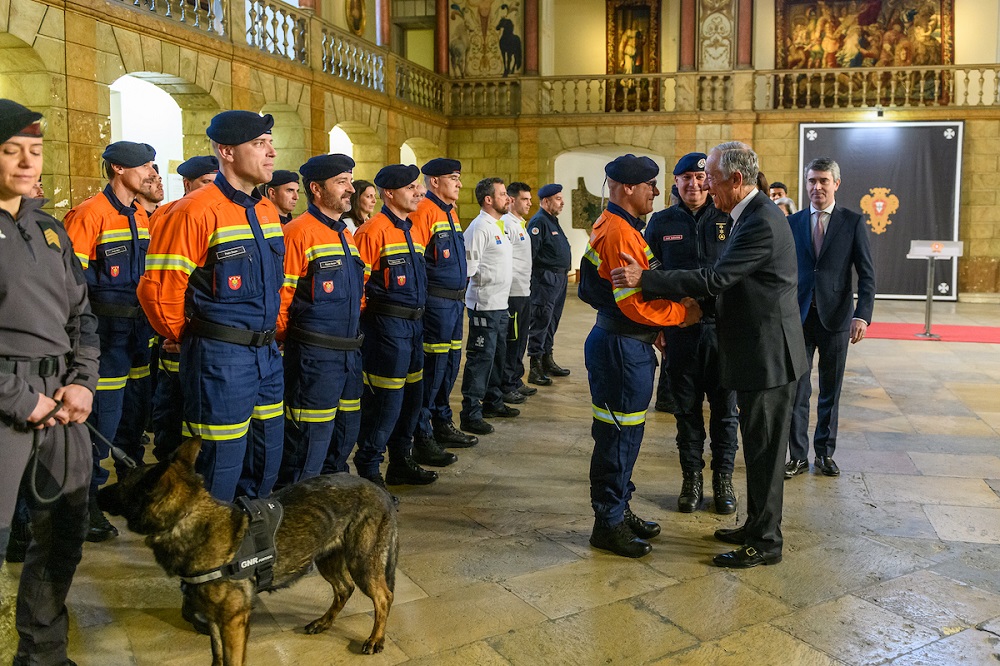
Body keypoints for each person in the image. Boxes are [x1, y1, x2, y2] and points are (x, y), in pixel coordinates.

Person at [612, 142, 807, 568]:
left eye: (713, 180)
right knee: (755, 447)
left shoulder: (759, 221)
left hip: (769, 355)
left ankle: (766, 542)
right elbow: (740, 286)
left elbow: (718, 276)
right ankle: (754, 525)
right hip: (757, 350)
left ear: (737, 180)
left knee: (765, 454)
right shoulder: (746, 214)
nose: (706, 187)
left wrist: (649, 280)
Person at [138, 110, 285, 502]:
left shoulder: (266, 210)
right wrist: (186, 338)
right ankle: (210, 556)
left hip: (267, 356)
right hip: (221, 358)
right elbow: (159, 289)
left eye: (270, 142)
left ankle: (248, 540)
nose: (271, 152)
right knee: (218, 465)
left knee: (266, 454)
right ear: (226, 151)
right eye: (259, 144)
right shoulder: (193, 210)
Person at [0, 98, 100, 666]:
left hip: (62, 406)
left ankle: (41, 654)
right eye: (12, 151)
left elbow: (82, 317)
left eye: (34, 152)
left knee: (63, 537)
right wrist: (22, 400)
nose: (26, 164)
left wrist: (82, 382)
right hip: (10, 406)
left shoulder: (50, 230)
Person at [579, 154, 700, 558]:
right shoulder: (621, 233)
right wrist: (681, 315)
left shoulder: (618, 223)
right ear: (627, 188)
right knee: (617, 435)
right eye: (650, 184)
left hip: (626, 344)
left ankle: (619, 507)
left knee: (626, 432)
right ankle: (607, 523)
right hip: (621, 346)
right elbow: (632, 304)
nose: (655, 191)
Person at [63, 140, 157, 542]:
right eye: (145, 167)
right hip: (103, 340)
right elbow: (69, 286)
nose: (152, 173)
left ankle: (121, 494)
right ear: (119, 169)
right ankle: (83, 507)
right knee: (100, 425)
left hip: (138, 338)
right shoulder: (89, 215)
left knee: (131, 423)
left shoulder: (141, 215)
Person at [645, 152, 739, 515]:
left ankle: (723, 480)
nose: (694, 185)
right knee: (685, 412)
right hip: (680, 332)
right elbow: (649, 277)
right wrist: (657, 324)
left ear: (709, 181)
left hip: (723, 332)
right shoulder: (661, 222)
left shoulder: (728, 219)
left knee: (725, 413)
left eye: (700, 179)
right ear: (676, 183)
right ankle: (692, 479)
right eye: (685, 178)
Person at [276, 154, 365, 485]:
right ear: (316, 188)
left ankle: (331, 506)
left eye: (350, 181)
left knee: (343, 436)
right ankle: (295, 518)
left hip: (348, 355)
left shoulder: (346, 235)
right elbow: (281, 299)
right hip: (314, 359)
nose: (350, 189)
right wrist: (294, 344)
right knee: (307, 445)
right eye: (341, 182)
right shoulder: (297, 233)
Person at [786, 157, 875, 479]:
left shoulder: (852, 222)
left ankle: (824, 453)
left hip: (837, 319)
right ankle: (797, 455)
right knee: (796, 390)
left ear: (836, 183)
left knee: (830, 390)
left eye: (823, 181)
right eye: (812, 181)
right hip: (798, 318)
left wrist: (862, 316)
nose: (817, 187)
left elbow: (866, 275)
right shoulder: (793, 222)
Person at [353, 164, 438, 491]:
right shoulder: (372, 231)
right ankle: (370, 468)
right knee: (385, 402)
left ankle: (400, 461)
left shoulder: (414, 230)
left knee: (412, 399)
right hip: (387, 329)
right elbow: (358, 287)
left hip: (415, 327)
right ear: (389, 193)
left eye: (418, 187)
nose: (418, 192)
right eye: (411, 188)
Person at [147, 155, 218, 463]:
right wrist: (175, 329)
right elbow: (164, 280)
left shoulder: (221, 214)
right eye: (206, 183)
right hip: (180, 330)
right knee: (172, 404)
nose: (212, 190)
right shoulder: (169, 214)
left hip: (205, 333)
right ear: (188, 184)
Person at [409, 158, 477, 460]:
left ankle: (441, 420)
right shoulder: (424, 210)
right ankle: (422, 434)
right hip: (436, 303)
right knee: (433, 370)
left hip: (453, 301)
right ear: (434, 181)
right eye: (453, 178)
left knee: (449, 365)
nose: (459, 183)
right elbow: (417, 262)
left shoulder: (448, 213)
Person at [459, 178, 517, 435]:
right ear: (488, 199)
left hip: (499, 304)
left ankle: (493, 400)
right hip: (484, 305)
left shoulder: (498, 226)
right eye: (503, 194)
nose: (508, 198)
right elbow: (469, 269)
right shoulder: (479, 227)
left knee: (497, 355)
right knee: (480, 359)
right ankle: (470, 412)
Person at [526, 183, 572, 385]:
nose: (562, 202)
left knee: (552, 321)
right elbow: (531, 255)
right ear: (546, 201)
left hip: (559, 279)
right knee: (541, 320)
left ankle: (547, 359)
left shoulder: (552, 221)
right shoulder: (539, 222)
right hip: (545, 279)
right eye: (558, 199)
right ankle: (535, 368)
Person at [498, 181, 537, 402]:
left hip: (523, 291)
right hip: (512, 294)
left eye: (530, 199)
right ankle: (506, 384)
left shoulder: (519, 223)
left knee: (521, 339)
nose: (529, 203)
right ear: (512, 200)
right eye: (525, 199)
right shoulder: (506, 223)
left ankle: (515, 378)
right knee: (511, 341)